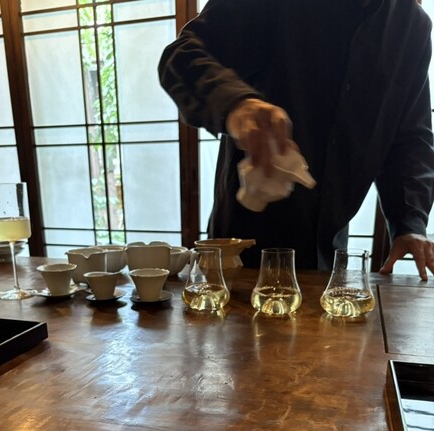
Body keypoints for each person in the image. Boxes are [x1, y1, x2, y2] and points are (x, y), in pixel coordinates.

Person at [158, 0, 434, 279]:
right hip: (242, 240)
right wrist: (236, 105)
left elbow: (411, 137)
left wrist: (409, 222)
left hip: (330, 242)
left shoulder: (412, 26)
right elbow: (180, 56)